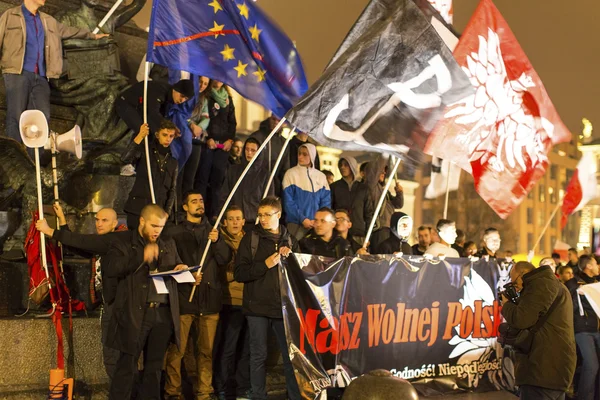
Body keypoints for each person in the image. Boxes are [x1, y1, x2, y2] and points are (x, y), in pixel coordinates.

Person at [103, 204, 194, 400]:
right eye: (154, 226)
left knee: (154, 367)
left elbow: (174, 264)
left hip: (162, 312)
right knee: (127, 364)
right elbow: (112, 268)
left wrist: (181, 268)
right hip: (136, 312)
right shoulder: (126, 241)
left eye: (160, 227)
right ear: (142, 221)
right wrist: (140, 257)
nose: (157, 231)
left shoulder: (167, 242)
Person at [35, 203, 126, 380]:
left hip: (119, 307)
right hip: (109, 304)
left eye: (104, 220)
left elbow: (81, 241)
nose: (99, 223)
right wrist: (62, 220)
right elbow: (77, 246)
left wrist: (50, 231)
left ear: (115, 223)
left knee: (115, 356)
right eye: (97, 220)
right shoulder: (102, 242)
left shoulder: (116, 240)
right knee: (111, 355)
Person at [0, 0, 107, 145]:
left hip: (41, 77)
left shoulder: (48, 20)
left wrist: (92, 36)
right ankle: (14, 162)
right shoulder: (10, 15)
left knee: (42, 121)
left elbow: (69, 31)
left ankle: (33, 164)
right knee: (15, 116)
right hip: (17, 74)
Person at [234, 197, 301, 400]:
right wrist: (265, 264)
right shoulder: (251, 239)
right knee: (258, 356)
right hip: (256, 309)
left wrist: (292, 257)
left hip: (282, 308)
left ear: (278, 215)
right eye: (260, 215)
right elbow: (240, 273)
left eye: (267, 215)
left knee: (290, 358)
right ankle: (258, 396)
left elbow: (300, 274)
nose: (262, 219)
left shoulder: (290, 241)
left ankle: (294, 396)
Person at [163, 191, 229, 400]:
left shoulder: (213, 231)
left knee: (206, 352)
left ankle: (204, 392)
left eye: (201, 200)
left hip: (209, 302)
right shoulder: (174, 232)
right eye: (194, 201)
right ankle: (172, 392)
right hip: (185, 300)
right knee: (178, 350)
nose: (199, 204)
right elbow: (168, 263)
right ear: (185, 207)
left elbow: (224, 258)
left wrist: (217, 241)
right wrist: (186, 275)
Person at [501, 261, 576, 400]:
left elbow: (522, 319)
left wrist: (506, 305)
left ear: (523, 274)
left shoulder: (540, 285)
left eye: (515, 283)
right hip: (553, 366)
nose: (516, 289)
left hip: (542, 368)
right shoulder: (552, 284)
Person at [213, 206, 251, 400]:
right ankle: (222, 386)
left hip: (250, 302)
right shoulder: (219, 240)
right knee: (228, 347)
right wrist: (241, 272)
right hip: (230, 301)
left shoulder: (250, 240)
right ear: (224, 222)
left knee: (246, 349)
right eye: (231, 219)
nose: (235, 222)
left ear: (244, 221)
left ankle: (242, 388)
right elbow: (222, 273)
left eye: (239, 218)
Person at [122, 121, 178, 230]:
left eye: (171, 136)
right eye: (165, 135)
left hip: (158, 211)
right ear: (157, 135)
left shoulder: (173, 162)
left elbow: (172, 189)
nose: (168, 139)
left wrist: (167, 212)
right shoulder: (146, 152)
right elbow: (126, 158)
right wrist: (140, 135)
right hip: (138, 209)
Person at [197, 80, 237, 219]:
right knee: (202, 179)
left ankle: (213, 215)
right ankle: (199, 213)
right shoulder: (206, 96)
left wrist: (230, 140)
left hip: (223, 147)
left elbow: (232, 122)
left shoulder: (228, 98)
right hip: (207, 144)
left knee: (217, 182)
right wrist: (207, 137)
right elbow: (202, 117)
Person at [565, 255, 600, 400]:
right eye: (596, 264)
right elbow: (567, 302)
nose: (598, 266)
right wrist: (577, 292)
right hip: (582, 330)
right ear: (589, 266)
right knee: (591, 365)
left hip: (596, 328)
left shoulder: (596, 282)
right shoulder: (574, 283)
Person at [219, 137, 272, 230]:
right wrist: (226, 216)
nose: (249, 153)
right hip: (235, 223)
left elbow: (269, 201)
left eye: (253, 150)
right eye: (247, 149)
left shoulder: (265, 175)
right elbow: (224, 195)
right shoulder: (233, 170)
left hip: (256, 223)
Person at [282, 143, 331, 240]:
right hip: (295, 224)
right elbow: (288, 202)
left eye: (305, 154)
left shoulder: (321, 176)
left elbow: (326, 202)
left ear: (312, 155)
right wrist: (303, 219)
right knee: (294, 252)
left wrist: (319, 220)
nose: (300, 157)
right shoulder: (290, 174)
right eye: (299, 153)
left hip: (317, 225)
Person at [330, 155, 374, 244]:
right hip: (339, 233)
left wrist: (369, 236)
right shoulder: (334, 187)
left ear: (352, 166)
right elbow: (330, 210)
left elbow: (369, 214)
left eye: (346, 165)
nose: (342, 167)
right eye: (341, 165)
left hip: (359, 234)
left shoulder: (364, 189)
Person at [364, 158, 404, 250]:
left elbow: (398, 204)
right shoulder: (372, 187)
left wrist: (399, 193)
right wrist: (385, 155)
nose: (383, 173)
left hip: (389, 229)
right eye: (380, 171)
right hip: (380, 229)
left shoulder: (384, 190)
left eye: (384, 171)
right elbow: (372, 170)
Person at [182, 76, 210, 195]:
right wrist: (192, 124)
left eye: (205, 84)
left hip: (195, 140)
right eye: (200, 82)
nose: (202, 86)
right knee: (179, 174)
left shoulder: (204, 100)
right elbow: (181, 114)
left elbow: (206, 118)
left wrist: (199, 127)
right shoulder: (185, 94)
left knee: (190, 176)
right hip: (182, 137)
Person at [250, 115, 290, 196]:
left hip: (274, 187)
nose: (275, 122)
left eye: (279, 120)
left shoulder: (284, 143)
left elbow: (285, 169)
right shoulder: (257, 137)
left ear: (283, 123)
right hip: (256, 185)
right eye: (273, 119)